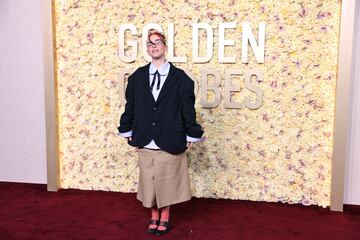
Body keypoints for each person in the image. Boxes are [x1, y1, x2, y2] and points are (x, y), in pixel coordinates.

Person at [118, 29, 204, 236]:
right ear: (147, 49)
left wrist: (191, 133)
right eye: (149, 43)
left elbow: (187, 110)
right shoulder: (137, 77)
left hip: (170, 137)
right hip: (145, 136)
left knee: (167, 180)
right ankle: (153, 214)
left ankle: (165, 215)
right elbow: (131, 106)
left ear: (165, 47)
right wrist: (127, 128)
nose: (153, 46)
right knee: (149, 180)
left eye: (158, 42)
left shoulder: (182, 79)